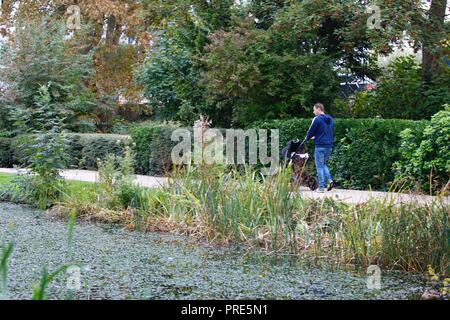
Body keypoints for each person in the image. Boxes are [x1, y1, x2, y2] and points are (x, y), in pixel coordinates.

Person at [305, 103, 336, 193]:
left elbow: (311, 131)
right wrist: (317, 136)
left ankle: (321, 188)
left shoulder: (317, 120)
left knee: (319, 167)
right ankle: (330, 181)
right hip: (329, 146)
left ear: (319, 109)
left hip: (320, 146)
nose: (313, 111)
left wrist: (307, 138)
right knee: (323, 164)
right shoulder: (330, 119)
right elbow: (325, 132)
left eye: (314, 109)